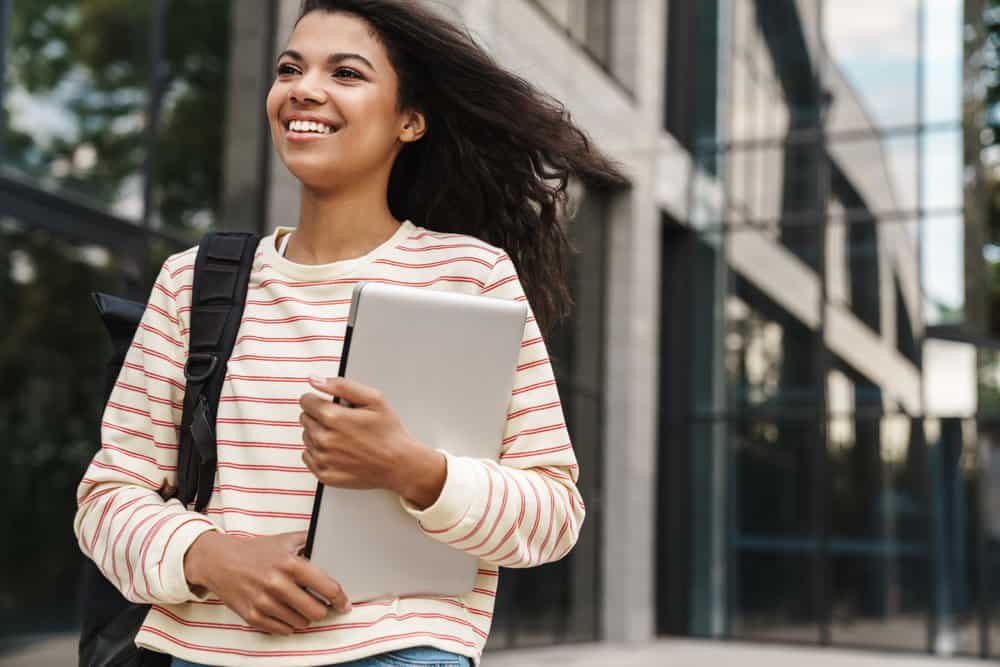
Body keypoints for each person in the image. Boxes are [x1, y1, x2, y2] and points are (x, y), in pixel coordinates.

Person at [74, 0, 627, 665]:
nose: (304, 88)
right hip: (208, 654)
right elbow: (108, 499)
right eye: (289, 68)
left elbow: (552, 513)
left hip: (402, 651)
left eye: (346, 73)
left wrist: (411, 468)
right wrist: (209, 555)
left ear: (409, 120)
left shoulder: (469, 275)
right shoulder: (192, 281)